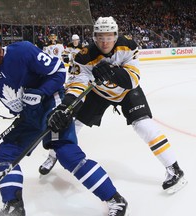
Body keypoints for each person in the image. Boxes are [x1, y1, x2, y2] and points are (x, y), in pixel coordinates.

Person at [0, 25, 129, 216]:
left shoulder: (23, 51)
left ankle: (115, 199)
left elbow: (59, 72)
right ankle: (13, 206)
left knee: (66, 152)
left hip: (51, 104)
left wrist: (41, 92)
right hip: (28, 115)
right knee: (7, 151)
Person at [43, 16, 188, 195]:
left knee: (144, 125)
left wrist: (111, 72)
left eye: (109, 37)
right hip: (97, 93)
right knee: (72, 123)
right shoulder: (84, 55)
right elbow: (78, 85)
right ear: (95, 37)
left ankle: (174, 168)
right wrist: (66, 105)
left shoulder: (128, 45)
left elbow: (132, 80)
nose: (105, 42)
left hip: (126, 93)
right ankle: (53, 155)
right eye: (101, 38)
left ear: (116, 35)